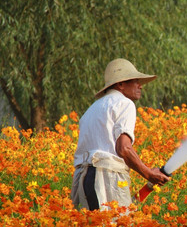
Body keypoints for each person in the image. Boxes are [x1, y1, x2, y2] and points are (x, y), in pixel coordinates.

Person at [70, 58, 170, 211]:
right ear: (121, 84)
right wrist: (148, 173)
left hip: (82, 179)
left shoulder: (90, 111)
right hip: (106, 177)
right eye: (135, 81)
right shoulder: (124, 104)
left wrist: (149, 184)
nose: (140, 86)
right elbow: (123, 148)